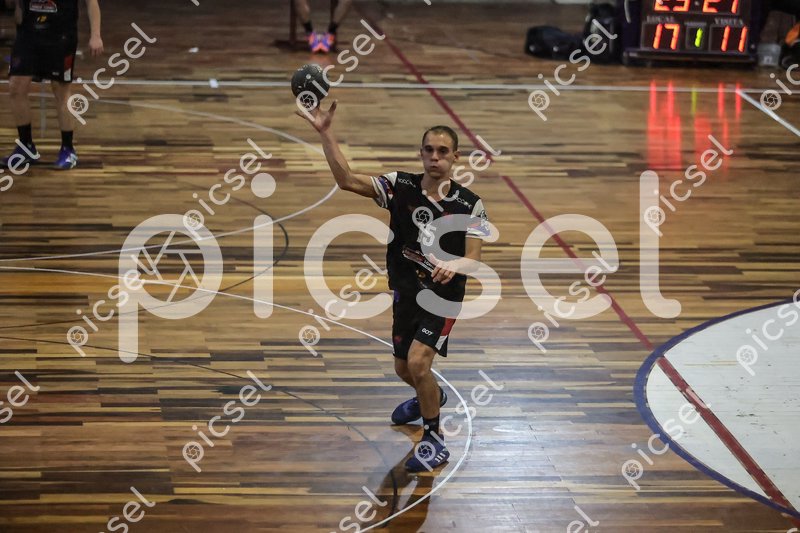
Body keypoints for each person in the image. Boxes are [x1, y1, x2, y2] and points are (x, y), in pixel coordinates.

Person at [297, 100, 490, 472]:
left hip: (443, 298)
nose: (435, 158)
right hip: (406, 291)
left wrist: (454, 265)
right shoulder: (400, 186)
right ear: (421, 154)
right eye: (429, 150)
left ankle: (434, 440)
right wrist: (326, 132)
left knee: (419, 362)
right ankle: (429, 396)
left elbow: (474, 258)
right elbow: (346, 180)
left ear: (456, 157)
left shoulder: (470, 204)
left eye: (443, 151)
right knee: (405, 369)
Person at [4, 0, 103, 170]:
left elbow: (91, 2)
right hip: (28, 32)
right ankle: (26, 147)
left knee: (61, 90)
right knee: (16, 86)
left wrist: (96, 35)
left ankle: (68, 149)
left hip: (61, 34)